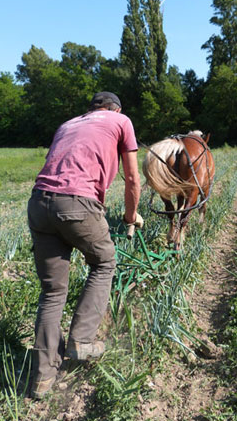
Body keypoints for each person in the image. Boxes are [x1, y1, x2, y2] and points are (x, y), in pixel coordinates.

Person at [27, 91, 143, 399]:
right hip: (78, 204)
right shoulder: (121, 120)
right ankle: (81, 341)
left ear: (90, 109)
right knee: (104, 262)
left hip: (39, 202)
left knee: (52, 291)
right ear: (116, 108)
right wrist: (131, 215)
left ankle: (42, 376)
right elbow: (132, 178)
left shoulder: (67, 124)